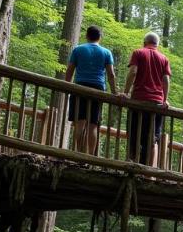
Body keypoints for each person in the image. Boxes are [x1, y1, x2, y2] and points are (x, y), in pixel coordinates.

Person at [65, 25, 116, 155]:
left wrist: (66, 86)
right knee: (93, 124)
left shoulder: (78, 50)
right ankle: (89, 157)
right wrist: (115, 92)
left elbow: (70, 71)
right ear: (100, 37)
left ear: (87, 36)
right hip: (98, 89)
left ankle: (79, 153)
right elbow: (111, 74)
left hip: (80, 86)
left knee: (80, 122)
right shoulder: (106, 52)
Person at [123, 32, 171, 166]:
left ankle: (130, 167)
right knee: (152, 140)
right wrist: (164, 99)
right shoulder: (164, 58)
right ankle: (147, 173)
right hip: (156, 104)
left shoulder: (138, 53)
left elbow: (133, 72)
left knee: (133, 136)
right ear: (157, 44)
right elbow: (166, 80)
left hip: (138, 100)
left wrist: (125, 93)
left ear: (144, 42)